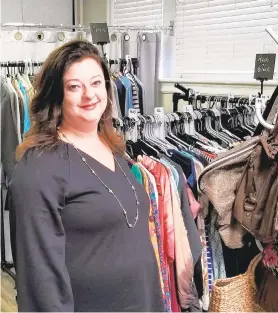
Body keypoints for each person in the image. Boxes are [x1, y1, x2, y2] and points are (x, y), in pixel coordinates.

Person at [7, 40, 164, 312]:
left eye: (95, 83)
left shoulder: (112, 147)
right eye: (74, 87)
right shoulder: (40, 167)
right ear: (57, 96)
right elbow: (39, 279)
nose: (89, 95)